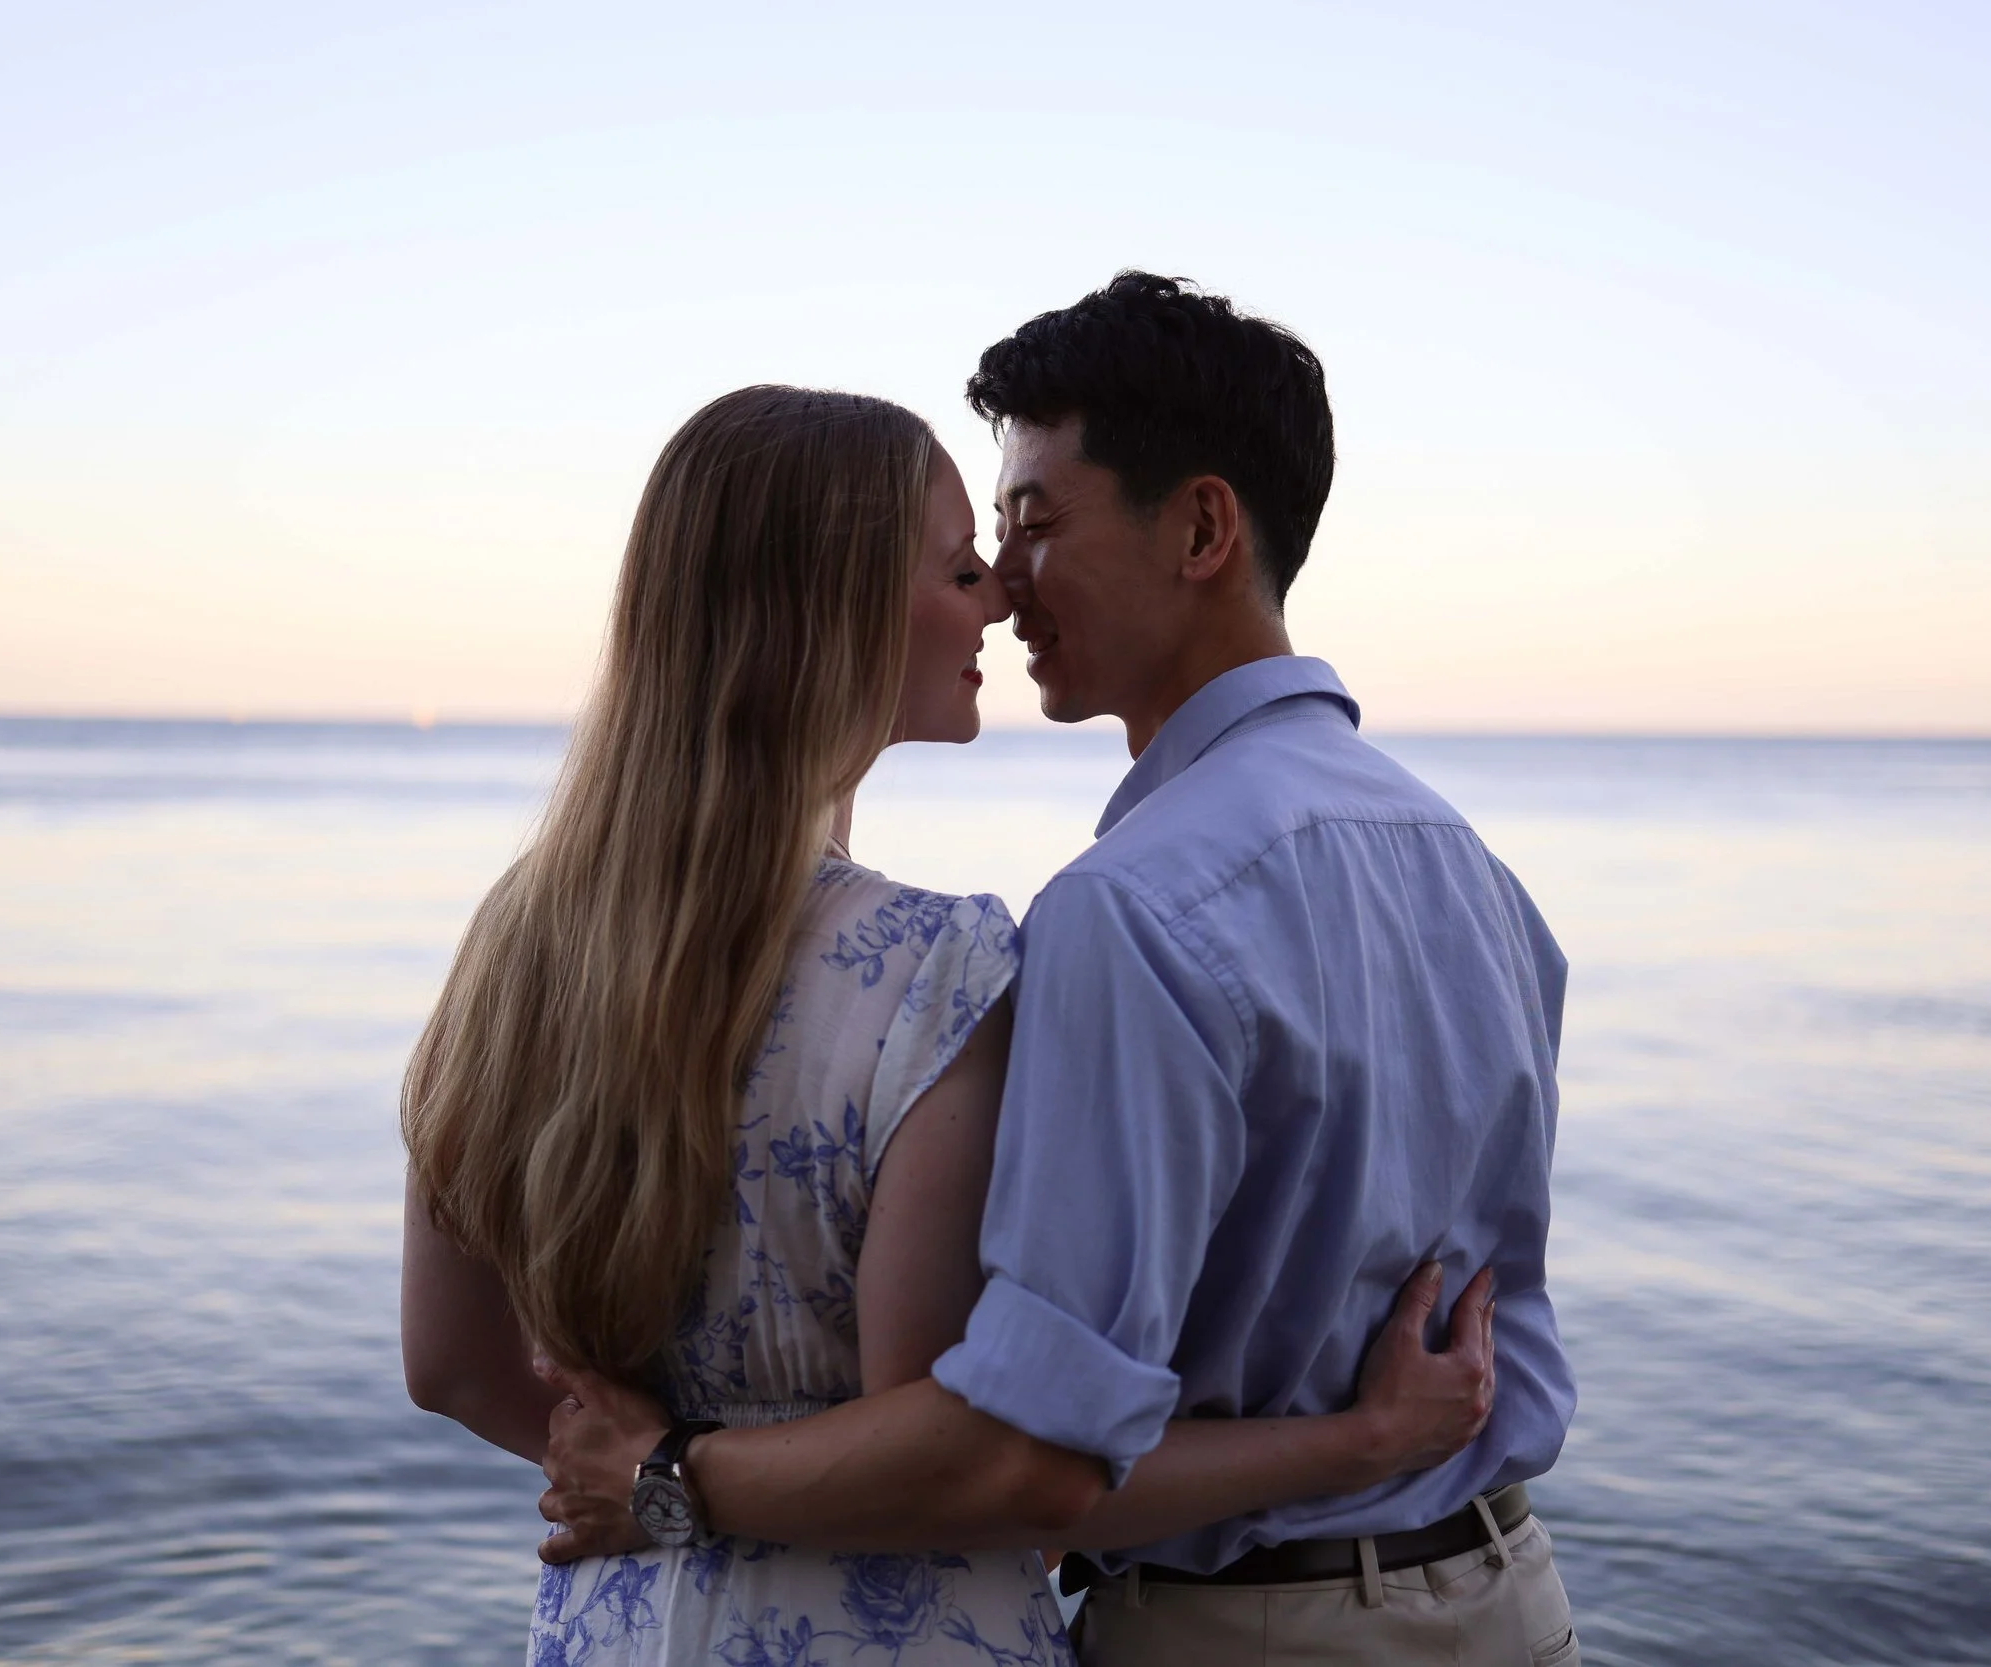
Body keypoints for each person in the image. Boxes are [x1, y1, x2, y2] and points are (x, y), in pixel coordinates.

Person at [531, 278, 1582, 1667]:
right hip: (1513, 1598)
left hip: (1254, 1633)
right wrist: (1370, 1437)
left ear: (1201, 529)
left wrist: (671, 1475)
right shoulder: (1474, 870)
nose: (1003, 580)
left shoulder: (1132, 907)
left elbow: (1033, 1455)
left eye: (1035, 522)